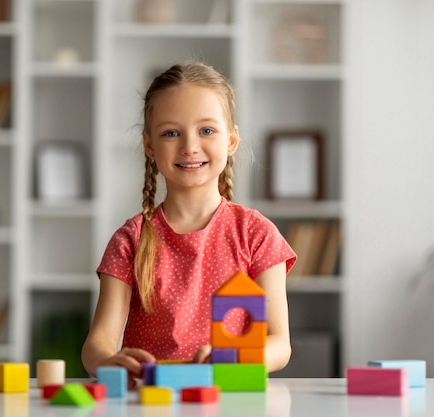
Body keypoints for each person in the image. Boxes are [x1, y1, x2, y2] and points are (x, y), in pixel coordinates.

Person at [81, 61, 297, 387]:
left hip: (231, 401)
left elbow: (280, 344)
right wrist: (109, 362)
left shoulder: (257, 234)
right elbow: (97, 345)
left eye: (207, 130)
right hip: (153, 402)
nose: (190, 146)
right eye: (171, 133)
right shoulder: (130, 239)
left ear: (231, 141)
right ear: (150, 145)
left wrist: (234, 359)